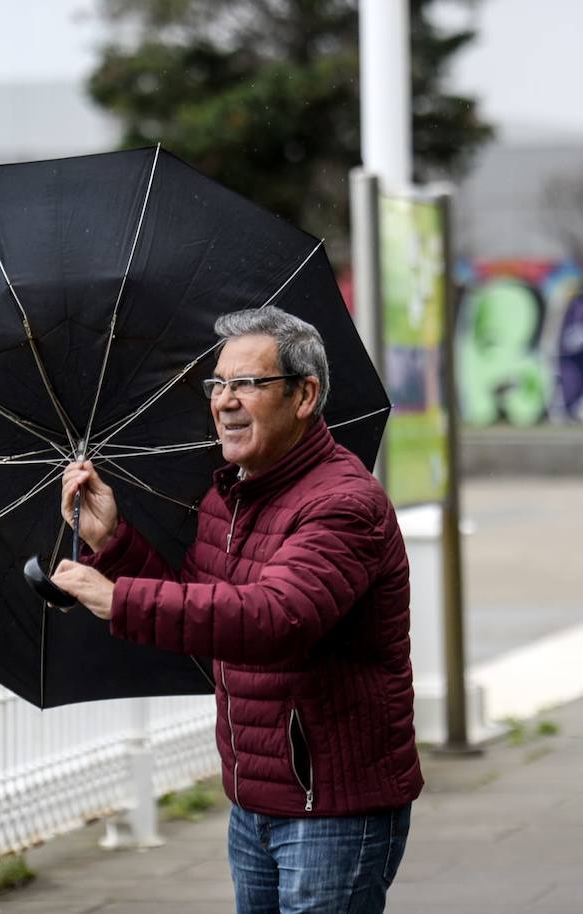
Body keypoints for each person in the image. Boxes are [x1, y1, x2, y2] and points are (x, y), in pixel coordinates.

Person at [53, 306, 423, 913]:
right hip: (255, 802)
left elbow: (274, 619)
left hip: (331, 809)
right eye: (217, 384)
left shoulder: (343, 505)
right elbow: (208, 615)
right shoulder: (230, 497)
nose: (225, 401)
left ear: (305, 395)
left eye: (248, 384)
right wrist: (111, 542)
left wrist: (118, 599)